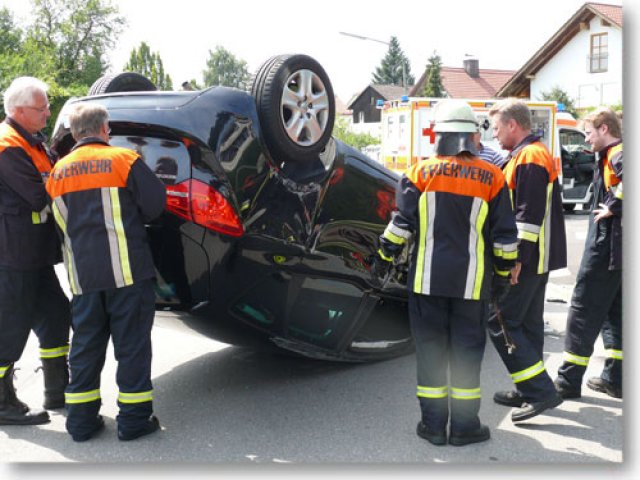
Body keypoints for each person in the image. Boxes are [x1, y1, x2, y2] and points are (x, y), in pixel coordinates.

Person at [374, 99, 518, 446]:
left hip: (426, 283)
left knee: (431, 355)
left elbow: (401, 225)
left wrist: (383, 256)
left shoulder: (419, 173)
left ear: (438, 135)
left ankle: (434, 426)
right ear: (472, 136)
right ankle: (465, 427)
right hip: (472, 285)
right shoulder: (493, 177)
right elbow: (504, 238)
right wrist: (502, 276)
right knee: (467, 355)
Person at [45, 103, 166, 442]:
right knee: (132, 348)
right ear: (103, 129)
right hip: (127, 275)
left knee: (85, 349)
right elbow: (156, 205)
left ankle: (81, 423)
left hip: (83, 278)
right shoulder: (123, 160)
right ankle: (133, 421)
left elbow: (58, 227)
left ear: (74, 133)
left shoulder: (57, 172)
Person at [487, 98, 567, 422]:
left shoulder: (530, 156)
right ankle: (529, 389)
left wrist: (516, 259)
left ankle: (540, 392)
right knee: (527, 323)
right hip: (536, 258)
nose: (494, 134)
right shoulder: (527, 154)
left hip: (528, 259)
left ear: (512, 124)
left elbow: (527, 215)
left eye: (496, 127)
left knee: (501, 321)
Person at [0, 77, 71, 426]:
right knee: (10, 326)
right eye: (41, 108)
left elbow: (51, 179)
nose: (47, 113)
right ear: (18, 110)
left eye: (47, 107)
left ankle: (58, 390)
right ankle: (2, 403)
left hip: (35, 253)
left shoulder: (35, 143)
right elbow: (37, 194)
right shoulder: (7, 144)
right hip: (12, 253)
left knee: (56, 315)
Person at [554, 107, 623, 399]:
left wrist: (614, 206)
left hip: (607, 247)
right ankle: (616, 379)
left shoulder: (618, 154)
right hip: (617, 250)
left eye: (589, 133)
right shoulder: (610, 155)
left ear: (604, 128)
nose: (586, 139)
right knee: (615, 312)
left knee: (583, 308)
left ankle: (568, 381)